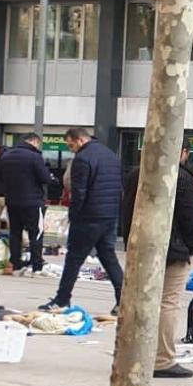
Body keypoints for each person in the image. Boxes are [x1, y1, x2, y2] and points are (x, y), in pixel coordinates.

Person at [41, 128, 125, 311]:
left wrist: (73, 216)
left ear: (79, 140)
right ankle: (123, 299)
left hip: (88, 216)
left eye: (70, 145)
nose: (71, 149)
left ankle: (62, 299)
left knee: (73, 258)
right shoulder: (111, 156)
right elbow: (118, 188)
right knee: (108, 256)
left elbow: (79, 192)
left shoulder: (82, 158)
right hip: (109, 215)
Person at [153, 145, 193, 380]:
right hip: (174, 248)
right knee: (168, 301)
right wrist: (192, 247)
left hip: (144, 247)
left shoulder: (138, 172)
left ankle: (135, 353)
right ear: (182, 152)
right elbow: (188, 217)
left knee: (144, 300)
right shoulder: (180, 177)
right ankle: (162, 359)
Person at [0, 133, 54, 276]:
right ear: (34, 141)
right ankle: (36, 267)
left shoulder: (6, 156)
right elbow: (45, 178)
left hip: (12, 201)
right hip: (32, 202)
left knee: (15, 233)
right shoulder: (34, 157)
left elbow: (0, 178)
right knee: (35, 234)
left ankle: (16, 266)